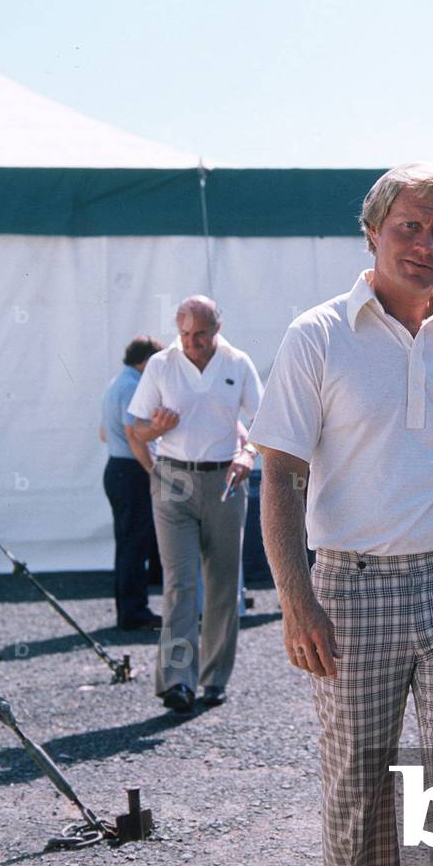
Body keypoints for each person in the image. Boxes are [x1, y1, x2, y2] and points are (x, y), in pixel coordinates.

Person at [250, 162, 433, 866]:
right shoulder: (317, 335)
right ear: (372, 231)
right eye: (409, 226)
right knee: (361, 803)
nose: (424, 244)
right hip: (351, 589)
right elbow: (279, 476)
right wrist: (296, 599)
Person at [128, 296, 263, 713]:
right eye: (184, 334)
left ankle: (213, 679)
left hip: (224, 477)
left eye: (200, 335)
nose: (191, 343)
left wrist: (248, 454)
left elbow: (266, 421)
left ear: (216, 330)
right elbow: (135, 430)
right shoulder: (162, 364)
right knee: (180, 583)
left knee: (222, 584)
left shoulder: (238, 363)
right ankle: (177, 682)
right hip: (174, 480)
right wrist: (156, 433)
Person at [100, 334, 163, 630]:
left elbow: (103, 432)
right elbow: (133, 434)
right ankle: (134, 613)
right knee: (134, 545)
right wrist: (153, 470)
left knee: (128, 543)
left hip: (118, 467)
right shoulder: (131, 386)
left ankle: (129, 609)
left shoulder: (116, 383)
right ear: (146, 360)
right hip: (131, 470)